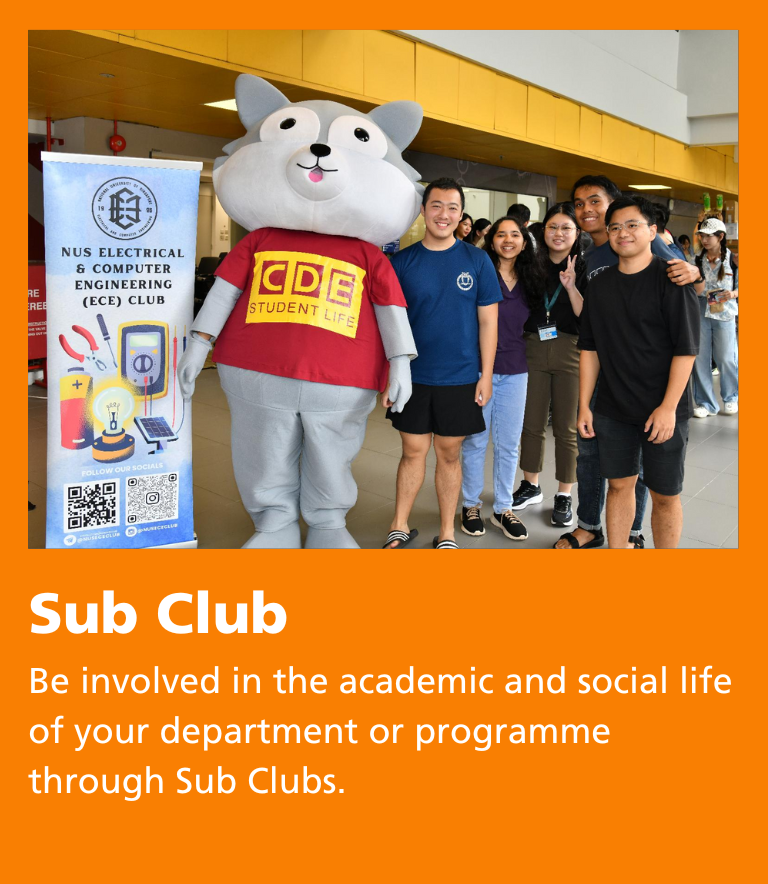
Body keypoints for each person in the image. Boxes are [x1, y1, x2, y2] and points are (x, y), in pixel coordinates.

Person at [555, 174, 701, 550]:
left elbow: (686, 350)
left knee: (665, 494)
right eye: (615, 227)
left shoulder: (672, 281)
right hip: (613, 408)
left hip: (662, 407)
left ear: (653, 231)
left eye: (633, 225)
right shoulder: (600, 282)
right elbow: (591, 348)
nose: (623, 233)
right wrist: (585, 404)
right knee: (619, 486)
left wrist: (669, 408)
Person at [383, 178, 501, 549]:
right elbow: (389, 323)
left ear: (461, 214)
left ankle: (447, 532)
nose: (444, 214)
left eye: (452, 207)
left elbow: (488, 322)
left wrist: (486, 376)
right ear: (423, 210)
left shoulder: (477, 260)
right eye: (436, 206)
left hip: (461, 377)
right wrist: (389, 373)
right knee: (412, 452)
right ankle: (398, 524)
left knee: (450, 455)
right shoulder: (402, 262)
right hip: (413, 377)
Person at [460, 216, 545, 541]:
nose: (508, 240)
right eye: (501, 235)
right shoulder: (481, 273)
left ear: (524, 241)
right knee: (476, 441)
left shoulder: (531, 278)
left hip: (516, 371)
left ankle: (502, 507)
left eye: (514, 234)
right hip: (480, 370)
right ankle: (470, 504)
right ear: (491, 240)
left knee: (509, 444)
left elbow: (540, 322)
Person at [516, 203, 585, 528]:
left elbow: (586, 316)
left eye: (566, 228)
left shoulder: (585, 266)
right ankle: (530, 484)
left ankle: (564, 493)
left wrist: (571, 286)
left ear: (576, 233)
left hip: (570, 349)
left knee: (565, 427)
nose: (559, 234)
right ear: (544, 231)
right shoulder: (530, 263)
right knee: (530, 422)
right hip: (533, 346)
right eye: (554, 227)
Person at [691, 217, 739, 417]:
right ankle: (706, 403)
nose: (704, 240)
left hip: (725, 312)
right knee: (700, 359)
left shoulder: (733, 259)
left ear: (720, 237)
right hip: (701, 310)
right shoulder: (696, 260)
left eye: (709, 236)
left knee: (726, 357)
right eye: (702, 236)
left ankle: (731, 397)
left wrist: (733, 294)